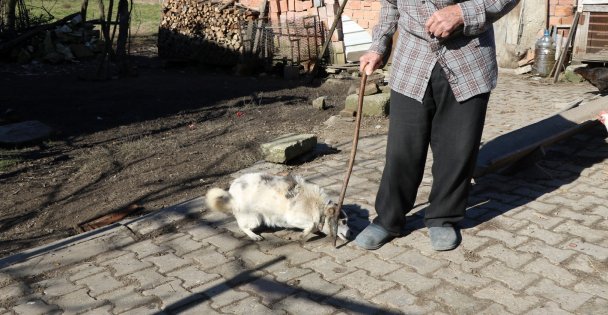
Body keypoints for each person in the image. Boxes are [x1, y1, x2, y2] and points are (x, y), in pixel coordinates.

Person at [354, 0, 519, 251]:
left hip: (468, 59)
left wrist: (462, 13)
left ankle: (444, 217)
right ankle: (388, 220)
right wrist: (379, 45)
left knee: (456, 150)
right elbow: (390, 4)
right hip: (412, 61)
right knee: (402, 149)